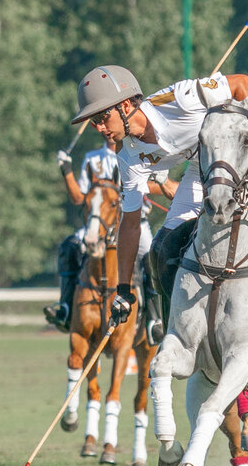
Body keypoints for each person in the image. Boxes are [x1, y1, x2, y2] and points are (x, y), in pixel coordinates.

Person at [71, 65, 248, 380]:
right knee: (161, 250)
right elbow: (129, 225)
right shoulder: (128, 158)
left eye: (101, 118)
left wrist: (246, 132)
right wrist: (124, 288)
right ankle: (179, 336)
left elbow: (242, 84)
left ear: (126, 105)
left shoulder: (179, 98)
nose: (99, 128)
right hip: (202, 168)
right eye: (93, 122)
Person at [44, 136, 177, 344]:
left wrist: (138, 183)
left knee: (151, 260)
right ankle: (66, 308)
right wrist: (67, 172)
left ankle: (154, 320)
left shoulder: (139, 153)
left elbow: (161, 187)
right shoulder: (92, 158)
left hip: (135, 224)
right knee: (68, 248)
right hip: (99, 225)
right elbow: (79, 198)